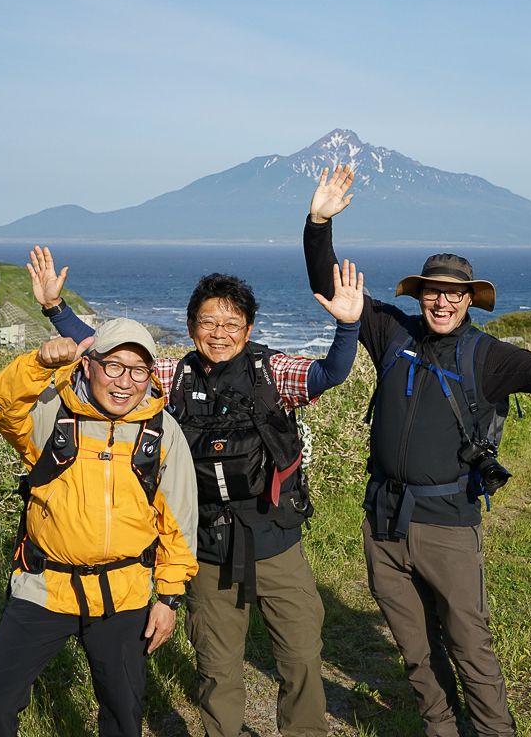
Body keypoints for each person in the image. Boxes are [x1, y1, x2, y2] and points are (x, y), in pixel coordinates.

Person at [302, 165, 531, 737]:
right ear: (422, 295)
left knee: (469, 643)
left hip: (448, 525)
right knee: (414, 647)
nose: (442, 302)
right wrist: (317, 225)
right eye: (433, 292)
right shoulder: (392, 333)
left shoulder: (488, 357)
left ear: (469, 300)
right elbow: (333, 287)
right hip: (383, 520)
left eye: (454, 294)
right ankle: (442, 728)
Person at [27, 246, 363, 737]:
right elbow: (105, 354)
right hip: (204, 546)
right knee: (217, 666)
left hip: (275, 541)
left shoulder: (273, 374)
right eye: (208, 323)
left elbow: (330, 373)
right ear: (190, 328)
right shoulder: (172, 378)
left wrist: (348, 326)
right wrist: (56, 311)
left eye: (232, 324)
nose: (219, 333)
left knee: (302, 658)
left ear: (249, 330)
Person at [0, 318, 199, 737]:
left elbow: (178, 526)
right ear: (89, 364)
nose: (125, 382)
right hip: (43, 588)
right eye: (114, 365)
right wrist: (39, 363)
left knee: (123, 713)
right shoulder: (50, 413)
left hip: (124, 594)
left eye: (138, 370)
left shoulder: (162, 432)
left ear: (150, 375)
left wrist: (169, 597)